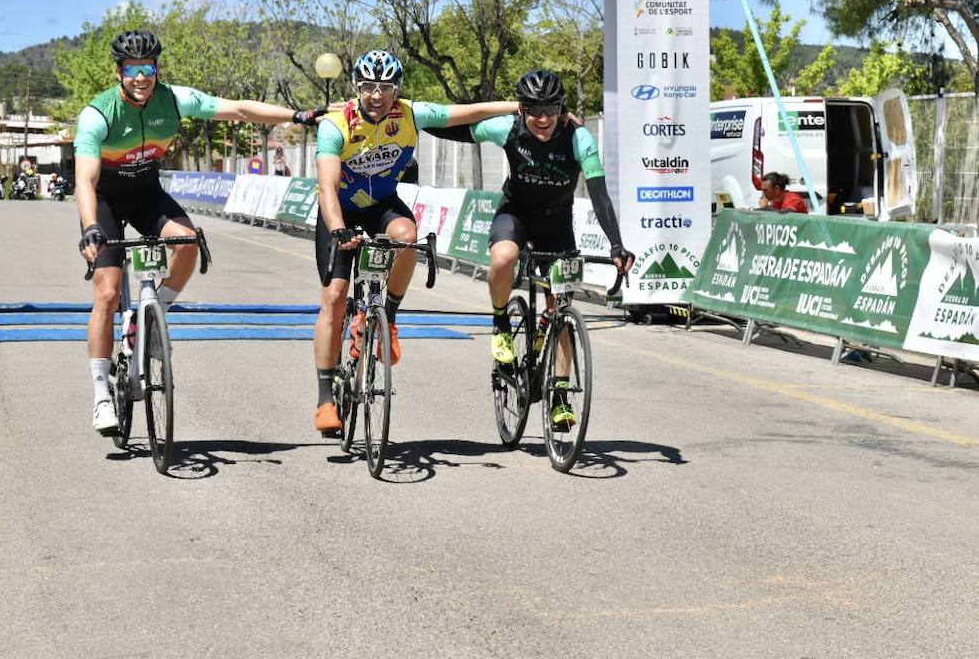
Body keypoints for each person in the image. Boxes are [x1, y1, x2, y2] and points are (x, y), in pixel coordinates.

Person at [76, 29, 326, 434]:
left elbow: (239, 111)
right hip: (103, 201)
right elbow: (85, 181)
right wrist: (90, 227)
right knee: (106, 291)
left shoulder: (174, 99)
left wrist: (295, 116)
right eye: (133, 69)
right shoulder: (97, 114)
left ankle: (150, 321)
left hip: (145, 194)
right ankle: (101, 392)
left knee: (189, 242)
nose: (142, 77)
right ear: (118, 70)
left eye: (149, 68)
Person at [310, 49, 519, 437]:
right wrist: (339, 230)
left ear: (396, 89)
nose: (376, 95)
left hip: (383, 205)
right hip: (340, 210)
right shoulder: (335, 125)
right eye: (368, 87)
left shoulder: (410, 113)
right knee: (335, 297)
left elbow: (468, 112)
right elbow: (326, 185)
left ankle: (387, 319)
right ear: (356, 87)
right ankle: (325, 397)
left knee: (408, 238)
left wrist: (521, 105)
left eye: (385, 87)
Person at [470, 69, 633, 430]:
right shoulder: (507, 129)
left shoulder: (579, 138)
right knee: (503, 258)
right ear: (521, 109)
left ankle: (560, 395)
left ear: (562, 108)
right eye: (534, 110)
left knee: (561, 309)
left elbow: (600, 194)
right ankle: (500, 324)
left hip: (557, 223)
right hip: (516, 215)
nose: (543, 119)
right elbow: (457, 128)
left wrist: (617, 243)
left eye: (551, 109)